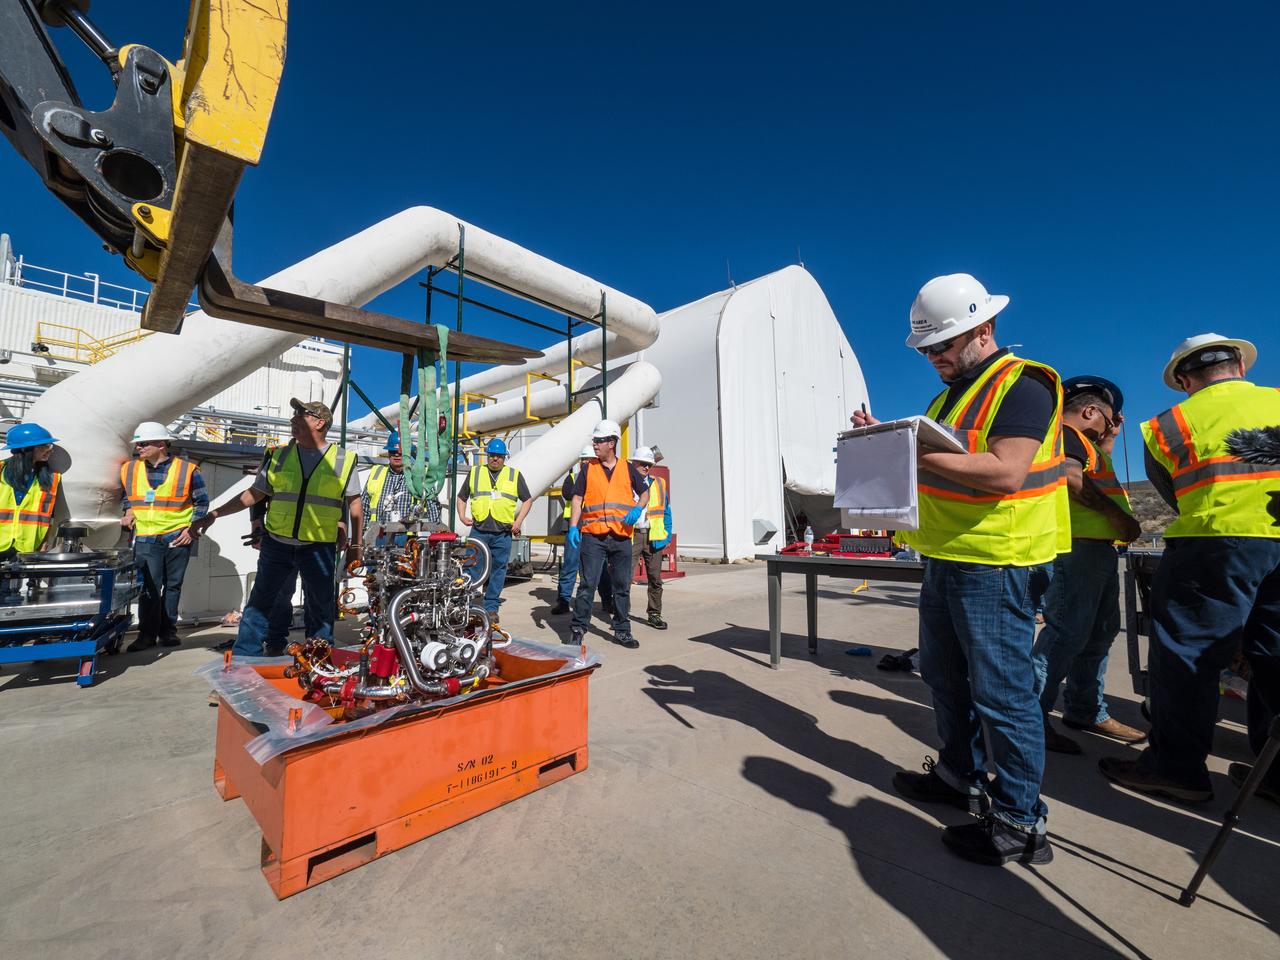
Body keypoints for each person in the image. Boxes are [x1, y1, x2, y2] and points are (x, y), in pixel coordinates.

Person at [851, 273, 1067, 866]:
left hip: (997, 560)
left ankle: (1021, 822)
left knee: (1002, 694)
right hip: (947, 556)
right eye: (926, 349)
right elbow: (940, 461)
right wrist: (886, 441)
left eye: (942, 345)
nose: (934, 358)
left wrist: (913, 452)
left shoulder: (1024, 385)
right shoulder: (945, 400)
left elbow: (1005, 471)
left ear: (983, 329)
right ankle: (958, 776)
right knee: (945, 678)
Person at [1100, 334, 1280, 806]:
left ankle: (1176, 769)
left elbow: (1173, 494)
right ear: (1241, 366)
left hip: (1215, 543)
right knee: (1276, 656)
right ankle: (1275, 773)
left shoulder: (1168, 425)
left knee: (1188, 656)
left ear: (1184, 380)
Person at [190, 398, 362, 657]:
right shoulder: (278, 456)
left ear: (319, 422)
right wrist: (214, 514)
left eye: (301, 414)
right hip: (277, 543)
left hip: (319, 546)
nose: (293, 418)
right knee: (259, 605)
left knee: (321, 608)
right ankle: (243, 659)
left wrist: (356, 546)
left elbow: (354, 504)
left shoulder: (343, 460)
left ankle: (319, 662)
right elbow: (254, 494)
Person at [1031, 378, 1143, 754]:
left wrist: (1110, 434)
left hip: (1095, 551)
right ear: (1090, 411)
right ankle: (1031, 719)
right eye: (1106, 420)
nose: (1108, 429)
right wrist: (1119, 519)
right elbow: (1071, 477)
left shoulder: (1085, 444)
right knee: (1065, 636)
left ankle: (1085, 708)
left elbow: (1095, 468)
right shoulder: (1067, 434)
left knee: (1099, 633)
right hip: (1076, 548)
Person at [120, 421, 208, 652]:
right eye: (138, 444)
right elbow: (128, 496)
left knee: (173, 586)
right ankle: (146, 635)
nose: (139, 448)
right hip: (146, 537)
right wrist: (128, 512)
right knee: (149, 588)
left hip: (177, 537)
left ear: (161, 444)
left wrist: (191, 530)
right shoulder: (129, 469)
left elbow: (201, 502)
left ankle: (168, 631)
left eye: (143, 444)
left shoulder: (187, 470)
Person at [567, 420, 650, 649]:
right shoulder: (588, 469)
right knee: (587, 585)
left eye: (599, 440)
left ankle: (622, 630)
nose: (594, 444)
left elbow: (645, 493)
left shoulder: (628, 468)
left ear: (611, 443)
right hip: (593, 537)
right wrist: (573, 527)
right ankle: (577, 630)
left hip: (621, 536)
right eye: (594, 440)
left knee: (622, 587)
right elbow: (577, 498)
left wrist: (637, 509)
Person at [455, 438, 532, 624]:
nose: (495, 459)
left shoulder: (514, 475)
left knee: (498, 570)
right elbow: (461, 497)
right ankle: (468, 603)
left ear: (504, 457)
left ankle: (491, 607)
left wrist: (518, 521)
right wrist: (462, 516)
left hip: (502, 533)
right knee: (473, 567)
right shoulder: (476, 472)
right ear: (487, 456)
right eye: (492, 455)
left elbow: (528, 499)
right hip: (479, 531)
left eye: (499, 456)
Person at [0, 422, 68, 559]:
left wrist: (45, 541)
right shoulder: (1, 470)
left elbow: (49, 515)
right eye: (44, 447)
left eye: (50, 446)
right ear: (25, 449)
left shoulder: (52, 478)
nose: (50, 450)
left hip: (27, 547)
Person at [363, 429, 439, 540]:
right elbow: (364, 506)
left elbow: (433, 508)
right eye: (393, 452)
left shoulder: (420, 476)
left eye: (401, 452)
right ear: (388, 454)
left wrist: (436, 537)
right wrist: (362, 536)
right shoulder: (377, 473)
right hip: (378, 536)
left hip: (409, 537)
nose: (396, 455)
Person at [629, 446, 673, 630]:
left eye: (649, 464)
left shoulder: (659, 484)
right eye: (642, 463)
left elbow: (666, 511)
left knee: (655, 578)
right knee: (624, 578)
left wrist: (667, 534)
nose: (646, 467)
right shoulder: (625, 483)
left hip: (653, 536)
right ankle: (621, 614)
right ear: (634, 463)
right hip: (631, 536)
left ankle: (654, 614)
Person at [552, 445, 595, 615]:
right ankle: (563, 601)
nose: (585, 462)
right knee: (570, 565)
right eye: (583, 459)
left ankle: (605, 600)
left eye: (589, 459)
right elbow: (568, 493)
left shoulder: (600, 479)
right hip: (574, 528)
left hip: (593, 528)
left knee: (594, 569)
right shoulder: (572, 478)